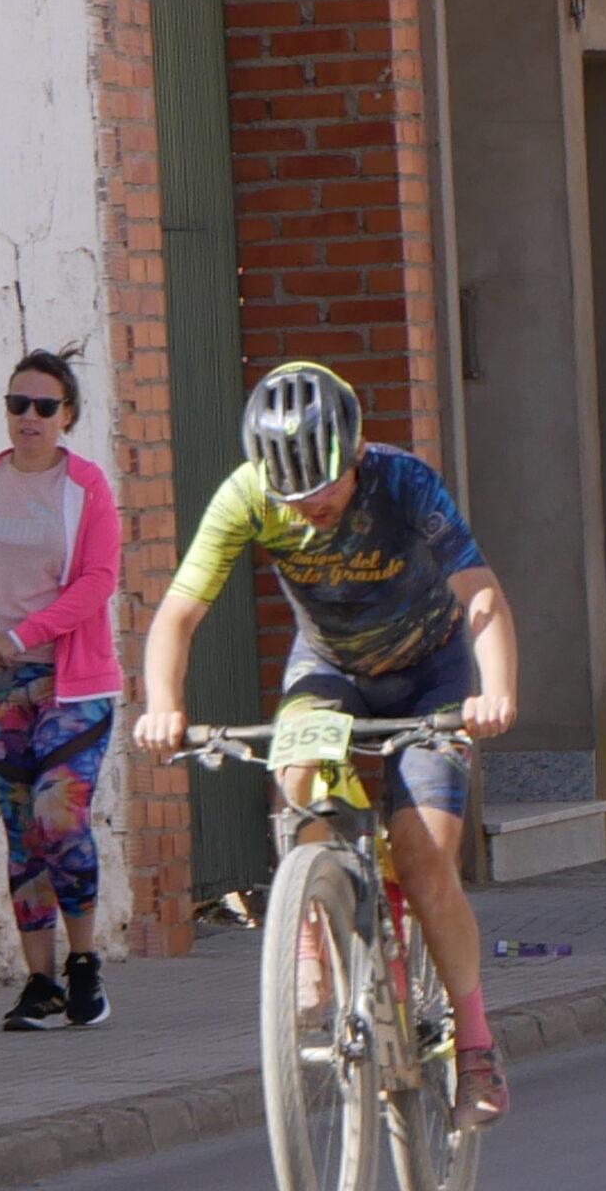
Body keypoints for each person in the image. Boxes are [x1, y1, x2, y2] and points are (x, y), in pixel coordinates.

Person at [133, 362, 519, 1130]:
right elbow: (178, 612)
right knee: (296, 769)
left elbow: (479, 592)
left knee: (424, 861)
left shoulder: (405, 484)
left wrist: (496, 690)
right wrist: (164, 707)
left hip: (430, 674)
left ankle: (475, 1046)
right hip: (330, 667)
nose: (310, 506)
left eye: (325, 488)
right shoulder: (247, 495)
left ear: (357, 451)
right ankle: (308, 921)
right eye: (293, 495)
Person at [0, 347, 125, 1031]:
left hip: (71, 684)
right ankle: (40, 982)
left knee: (58, 813)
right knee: (22, 830)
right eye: (18, 404)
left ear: (67, 415)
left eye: (44, 406)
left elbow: (98, 580)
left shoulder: (86, 488)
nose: (29, 417)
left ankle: (84, 961)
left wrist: (27, 632)